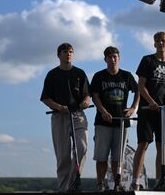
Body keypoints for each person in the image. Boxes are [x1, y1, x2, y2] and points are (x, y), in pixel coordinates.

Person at [131, 31, 165, 191]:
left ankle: (160, 181)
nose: (161, 43)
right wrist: (151, 102)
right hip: (147, 109)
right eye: (158, 41)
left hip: (164, 111)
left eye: (163, 40)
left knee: (161, 146)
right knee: (143, 143)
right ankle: (135, 180)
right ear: (154, 44)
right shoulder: (147, 60)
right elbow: (140, 85)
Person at [40, 43, 91, 192]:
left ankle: (74, 184)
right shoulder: (52, 74)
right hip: (59, 116)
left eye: (70, 52)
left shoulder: (80, 73)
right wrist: (58, 107)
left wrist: (86, 101)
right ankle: (64, 188)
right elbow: (45, 98)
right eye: (65, 52)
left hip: (78, 115)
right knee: (63, 155)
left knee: (82, 147)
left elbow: (87, 94)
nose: (68, 54)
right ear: (58, 55)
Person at [90, 46, 140, 191]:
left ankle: (118, 184)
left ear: (119, 58)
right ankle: (100, 183)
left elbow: (138, 90)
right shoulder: (99, 76)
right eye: (109, 57)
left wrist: (133, 108)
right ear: (105, 59)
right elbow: (95, 96)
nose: (112, 60)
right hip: (103, 122)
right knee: (101, 156)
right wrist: (103, 111)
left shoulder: (127, 76)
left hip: (122, 122)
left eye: (115, 57)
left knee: (118, 158)